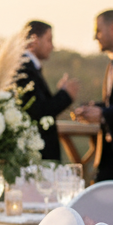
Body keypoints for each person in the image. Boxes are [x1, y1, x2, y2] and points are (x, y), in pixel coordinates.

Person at [75, 10, 113, 182]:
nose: (95, 37)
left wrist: (103, 114)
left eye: (98, 30)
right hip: (111, 157)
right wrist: (94, 109)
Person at [16, 20, 78, 161]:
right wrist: (65, 95)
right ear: (35, 40)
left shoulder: (30, 67)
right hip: (37, 154)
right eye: (49, 40)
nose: (52, 46)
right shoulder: (24, 68)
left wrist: (62, 92)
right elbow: (39, 111)